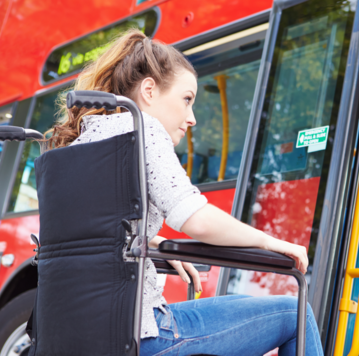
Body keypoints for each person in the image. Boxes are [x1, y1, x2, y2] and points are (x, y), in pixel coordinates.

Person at [46, 29, 323, 356]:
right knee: (296, 311)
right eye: (187, 99)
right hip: (142, 336)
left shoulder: (82, 143)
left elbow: (90, 235)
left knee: (241, 303)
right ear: (149, 90)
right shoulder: (141, 129)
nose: (192, 118)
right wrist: (270, 241)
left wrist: (154, 242)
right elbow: (195, 219)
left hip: (78, 338)